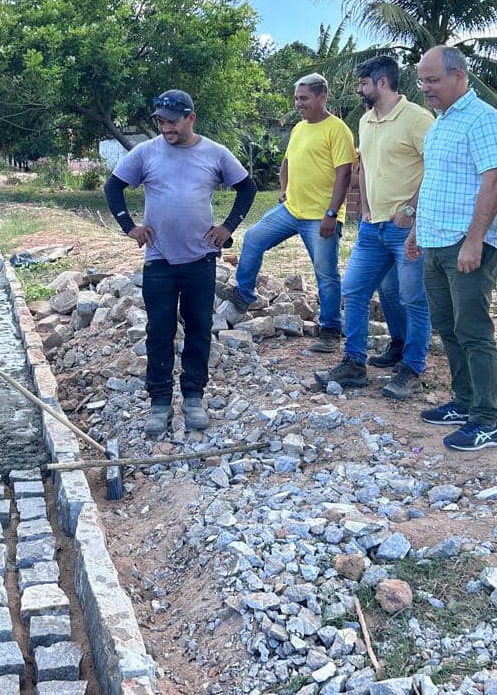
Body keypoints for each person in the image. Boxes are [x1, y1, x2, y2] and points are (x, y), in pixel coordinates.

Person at [105, 90, 256, 437]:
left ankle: (193, 397)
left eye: (172, 121)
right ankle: (159, 403)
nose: (165, 128)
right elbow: (113, 187)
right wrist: (129, 226)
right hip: (158, 258)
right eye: (160, 121)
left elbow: (247, 188)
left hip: (200, 258)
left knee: (199, 328)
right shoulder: (145, 153)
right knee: (159, 331)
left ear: (191, 118)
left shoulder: (215, 153)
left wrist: (228, 227)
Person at [406, 46, 497, 451]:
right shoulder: (441, 123)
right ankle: (465, 402)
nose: (425, 88)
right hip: (435, 242)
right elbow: (435, 182)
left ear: (459, 76)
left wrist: (474, 240)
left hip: (466, 246)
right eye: (422, 80)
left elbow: (495, 180)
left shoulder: (482, 119)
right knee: (449, 329)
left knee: (474, 331)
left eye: (432, 80)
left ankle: (487, 420)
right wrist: (417, 229)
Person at [323, 55, 433, 397]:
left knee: (412, 298)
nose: (359, 89)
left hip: (406, 229)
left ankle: (412, 368)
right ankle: (354, 363)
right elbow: (365, 167)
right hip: (373, 229)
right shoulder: (366, 121)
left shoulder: (417, 118)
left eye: (363, 83)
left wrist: (411, 210)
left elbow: (434, 166)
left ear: (382, 82)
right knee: (354, 290)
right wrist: (366, 207)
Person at [223, 73, 355, 353]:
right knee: (254, 238)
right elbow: (287, 162)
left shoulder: (338, 129)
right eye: (296, 98)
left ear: (322, 97)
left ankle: (331, 329)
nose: (298, 103)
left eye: (304, 98)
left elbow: (344, 174)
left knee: (326, 274)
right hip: (291, 209)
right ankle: (244, 293)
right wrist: (284, 188)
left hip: (320, 216)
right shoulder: (298, 128)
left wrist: (332, 213)